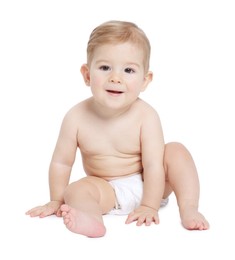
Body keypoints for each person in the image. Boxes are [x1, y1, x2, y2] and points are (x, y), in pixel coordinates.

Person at [26, 20, 209, 237]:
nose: (116, 78)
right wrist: (56, 199)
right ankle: (93, 221)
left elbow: (152, 165)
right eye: (105, 67)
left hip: (151, 183)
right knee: (74, 191)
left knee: (176, 151)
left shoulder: (146, 116)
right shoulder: (75, 117)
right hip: (107, 190)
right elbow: (61, 162)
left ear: (145, 80)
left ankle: (189, 208)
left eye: (129, 70)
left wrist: (149, 205)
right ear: (87, 75)